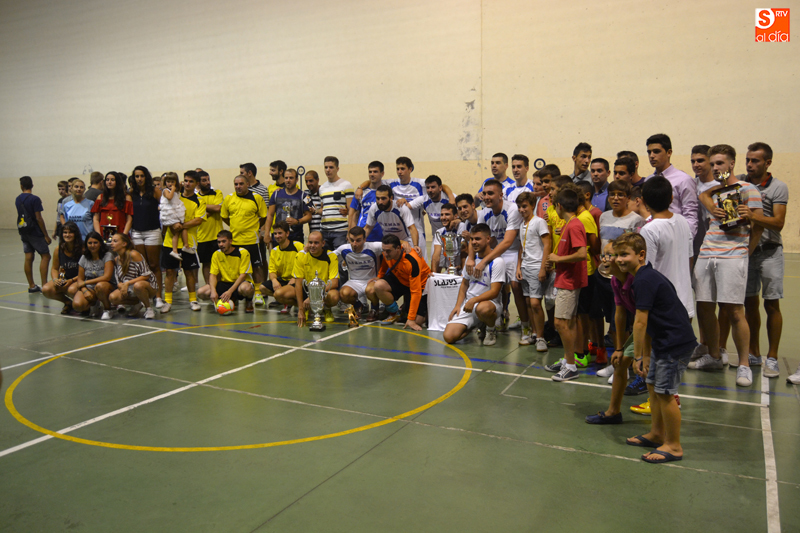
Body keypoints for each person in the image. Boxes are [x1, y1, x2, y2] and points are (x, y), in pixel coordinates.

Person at [614, 232, 696, 464]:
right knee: (652, 384)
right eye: (617, 255)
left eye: (624, 254)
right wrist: (648, 355)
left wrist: (638, 356)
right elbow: (650, 322)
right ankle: (657, 433)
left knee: (665, 393)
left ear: (641, 255)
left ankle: (674, 446)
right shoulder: (642, 277)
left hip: (674, 343)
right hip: (662, 341)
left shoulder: (644, 280)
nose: (619, 260)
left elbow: (640, 322)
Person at [690, 144, 763, 387]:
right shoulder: (713, 192)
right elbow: (703, 196)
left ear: (732, 164)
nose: (715, 167)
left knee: (734, 311)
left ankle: (743, 364)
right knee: (704, 306)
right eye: (712, 164)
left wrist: (745, 252)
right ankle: (713, 355)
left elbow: (758, 226)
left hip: (733, 255)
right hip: (707, 253)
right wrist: (710, 203)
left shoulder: (748, 189)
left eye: (719, 163)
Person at [741, 142, 787, 379]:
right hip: (746, 252)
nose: (749, 164)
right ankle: (753, 353)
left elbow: (778, 222)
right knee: (749, 304)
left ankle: (772, 357)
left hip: (770, 252)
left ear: (767, 163)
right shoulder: (740, 182)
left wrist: (753, 216)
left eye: (755, 161)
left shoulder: (778, 187)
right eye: (748, 160)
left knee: (771, 304)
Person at [466, 179, 526, 335]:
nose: (486, 197)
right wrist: (471, 258)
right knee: (490, 284)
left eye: (490, 193)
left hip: (513, 251)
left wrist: (484, 261)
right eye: (485, 193)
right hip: (494, 251)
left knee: (515, 285)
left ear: (501, 195)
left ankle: (525, 325)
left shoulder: (512, 209)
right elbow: (475, 236)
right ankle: (495, 317)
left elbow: (507, 242)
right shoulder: (484, 212)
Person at [543, 188, 588, 382]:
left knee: (560, 323)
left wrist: (558, 259)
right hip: (565, 278)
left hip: (569, 282)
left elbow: (581, 253)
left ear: (559, 206)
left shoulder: (574, 225)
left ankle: (571, 366)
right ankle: (567, 360)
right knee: (568, 322)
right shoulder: (569, 225)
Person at [443, 224, 505, 346]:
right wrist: (458, 306)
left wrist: (474, 300)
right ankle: (477, 324)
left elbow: (495, 292)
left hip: (489, 304)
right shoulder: (470, 260)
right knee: (448, 337)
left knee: (483, 309)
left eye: (478, 239)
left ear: (488, 239)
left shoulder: (497, 262)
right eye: (472, 239)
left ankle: (490, 330)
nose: (474, 242)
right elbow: (464, 284)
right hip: (469, 305)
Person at [161, 171, 207, 314]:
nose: (187, 183)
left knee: (189, 272)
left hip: (189, 243)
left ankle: (193, 300)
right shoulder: (174, 195)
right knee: (170, 272)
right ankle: (168, 301)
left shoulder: (199, 200)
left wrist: (181, 225)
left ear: (196, 184)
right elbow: (165, 211)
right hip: (170, 241)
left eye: (191, 181)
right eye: (186, 180)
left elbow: (198, 220)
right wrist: (171, 224)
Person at [221, 174, 267, 309]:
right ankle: (237, 294)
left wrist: (254, 228)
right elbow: (224, 217)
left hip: (251, 240)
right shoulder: (229, 198)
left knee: (257, 267)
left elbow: (263, 216)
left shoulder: (256, 198)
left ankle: (258, 293)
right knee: (238, 270)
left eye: (241, 184)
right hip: (235, 241)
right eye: (236, 184)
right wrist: (236, 227)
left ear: (247, 184)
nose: (238, 186)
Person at [367, 235, 429, 330]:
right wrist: (379, 276)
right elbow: (385, 263)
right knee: (378, 285)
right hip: (401, 278)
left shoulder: (412, 261)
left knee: (417, 320)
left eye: (388, 251)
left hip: (419, 284)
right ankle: (395, 313)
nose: (385, 254)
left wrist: (411, 319)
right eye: (384, 250)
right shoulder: (387, 252)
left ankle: (427, 312)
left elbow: (416, 292)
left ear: (398, 249)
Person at [277, 231, 339, 325]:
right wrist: (300, 309)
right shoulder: (301, 256)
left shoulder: (331, 256)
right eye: (310, 242)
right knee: (279, 294)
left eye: (316, 243)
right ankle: (306, 308)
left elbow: (334, 283)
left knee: (334, 296)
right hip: (306, 290)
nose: (312, 245)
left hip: (322, 291)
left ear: (323, 243)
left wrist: (313, 296)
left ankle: (325, 308)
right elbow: (298, 283)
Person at [515, 192, 551, 351]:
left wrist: (543, 268)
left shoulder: (539, 222)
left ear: (532, 205)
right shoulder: (522, 224)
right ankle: (534, 334)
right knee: (529, 302)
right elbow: (521, 247)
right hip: (525, 267)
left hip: (537, 267)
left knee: (536, 303)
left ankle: (541, 338)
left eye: (524, 206)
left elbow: (547, 244)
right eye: (519, 207)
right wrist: (518, 266)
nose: (521, 210)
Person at [645, 133, 698, 237]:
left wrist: (687, 240)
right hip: (653, 234)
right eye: (649, 152)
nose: (651, 156)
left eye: (656, 151)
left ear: (669, 152)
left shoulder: (683, 179)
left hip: (676, 235)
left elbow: (690, 215)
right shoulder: (648, 180)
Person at [129, 166, 164, 308]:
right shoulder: (131, 193)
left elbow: (165, 207)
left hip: (152, 231)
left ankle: (158, 296)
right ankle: (145, 297)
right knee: (142, 267)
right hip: (136, 232)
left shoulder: (155, 191)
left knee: (154, 265)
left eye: (142, 176)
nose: (139, 179)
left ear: (146, 177)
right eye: (137, 176)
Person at [334, 226, 384, 320]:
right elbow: (329, 256)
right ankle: (359, 306)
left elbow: (391, 244)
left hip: (371, 280)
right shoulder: (344, 249)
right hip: (354, 281)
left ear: (364, 239)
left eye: (358, 240)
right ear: (348, 239)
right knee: (343, 294)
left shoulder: (373, 247)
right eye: (352, 240)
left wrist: (404, 243)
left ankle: (374, 309)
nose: (354, 244)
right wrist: (306, 251)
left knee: (371, 290)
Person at [197, 230, 256, 310]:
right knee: (201, 292)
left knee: (246, 288)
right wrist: (213, 291)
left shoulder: (243, 253)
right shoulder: (216, 254)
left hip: (240, 283)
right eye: (219, 242)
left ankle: (248, 301)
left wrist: (230, 291)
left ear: (230, 241)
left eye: (224, 241)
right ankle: (228, 299)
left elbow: (243, 276)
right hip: (225, 283)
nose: (221, 244)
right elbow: (213, 275)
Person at [106, 233, 157, 319]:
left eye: (115, 241)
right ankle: (138, 303)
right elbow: (118, 278)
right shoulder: (116, 259)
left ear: (124, 244)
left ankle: (148, 308)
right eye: (111, 241)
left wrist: (128, 283)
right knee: (113, 298)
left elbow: (146, 275)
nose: (111, 243)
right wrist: (120, 285)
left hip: (147, 285)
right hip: (129, 287)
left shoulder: (134, 255)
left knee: (138, 286)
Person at [15, 176, 52, 292]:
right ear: (32, 185)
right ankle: (45, 285)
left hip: (23, 230)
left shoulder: (18, 199)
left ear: (21, 186)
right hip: (35, 231)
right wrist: (45, 235)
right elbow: (38, 218)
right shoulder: (35, 199)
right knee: (46, 256)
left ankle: (31, 285)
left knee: (28, 256)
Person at [260, 221, 304, 311]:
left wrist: (295, 278)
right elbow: (272, 271)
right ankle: (286, 301)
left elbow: (306, 265)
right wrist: (274, 281)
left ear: (287, 233)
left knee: (278, 294)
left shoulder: (298, 246)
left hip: (297, 280)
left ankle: (302, 306)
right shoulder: (274, 251)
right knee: (262, 288)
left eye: (280, 233)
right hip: (283, 280)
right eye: (275, 233)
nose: (277, 236)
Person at [70, 231, 115, 318]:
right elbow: (80, 279)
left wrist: (85, 283)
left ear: (100, 243)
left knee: (100, 286)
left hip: (107, 286)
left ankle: (108, 309)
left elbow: (107, 277)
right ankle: (94, 304)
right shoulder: (84, 257)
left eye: (95, 243)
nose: (92, 245)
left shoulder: (107, 255)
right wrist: (85, 291)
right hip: (90, 287)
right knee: (77, 305)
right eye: (90, 243)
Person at [42, 222, 83, 314]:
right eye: (65, 232)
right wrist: (55, 279)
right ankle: (68, 303)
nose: (67, 235)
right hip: (65, 278)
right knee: (46, 289)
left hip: (79, 279)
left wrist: (71, 281)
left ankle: (86, 304)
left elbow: (86, 271)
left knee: (72, 290)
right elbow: (54, 268)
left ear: (75, 234)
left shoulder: (82, 249)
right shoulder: (59, 249)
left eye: (70, 232)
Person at [408, 175, 452, 257]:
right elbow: (407, 206)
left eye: (433, 187)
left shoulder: (450, 199)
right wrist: (402, 201)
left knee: (451, 263)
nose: (430, 190)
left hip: (451, 237)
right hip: (436, 237)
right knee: (434, 261)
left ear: (440, 188)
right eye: (428, 188)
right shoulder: (424, 199)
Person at [265, 168, 312, 244]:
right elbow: (270, 215)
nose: (288, 180)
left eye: (291, 178)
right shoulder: (276, 194)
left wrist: (297, 221)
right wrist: (266, 233)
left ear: (297, 179)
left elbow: (309, 216)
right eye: (286, 178)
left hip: (296, 236)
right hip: (278, 237)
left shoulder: (304, 196)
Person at [319, 156, 354, 252]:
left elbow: (352, 210)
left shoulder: (346, 185)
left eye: (331, 167)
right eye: (326, 167)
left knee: (340, 257)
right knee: (326, 258)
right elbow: (323, 208)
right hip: (324, 230)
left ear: (337, 169)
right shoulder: (322, 188)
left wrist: (350, 231)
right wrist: (316, 211)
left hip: (340, 231)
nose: (328, 170)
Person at [196, 170, 224, 286]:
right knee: (206, 264)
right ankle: (209, 286)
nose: (208, 182)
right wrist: (209, 209)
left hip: (217, 236)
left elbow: (218, 208)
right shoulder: (195, 197)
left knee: (220, 263)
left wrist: (201, 206)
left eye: (208, 179)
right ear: (198, 183)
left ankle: (220, 286)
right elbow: (196, 215)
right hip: (202, 236)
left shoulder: (217, 193)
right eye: (204, 180)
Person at [349, 161, 385, 242]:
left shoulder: (387, 192)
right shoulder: (361, 192)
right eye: (370, 172)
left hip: (382, 235)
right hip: (363, 235)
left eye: (375, 172)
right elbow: (353, 213)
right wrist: (350, 232)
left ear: (382, 174)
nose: (372, 174)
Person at [159, 173, 192, 260]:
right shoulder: (166, 190)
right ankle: (175, 250)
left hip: (175, 212)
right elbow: (169, 197)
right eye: (168, 181)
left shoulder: (176, 190)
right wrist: (173, 189)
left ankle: (185, 246)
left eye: (172, 182)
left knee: (182, 228)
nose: (170, 184)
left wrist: (179, 185)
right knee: (177, 230)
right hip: (169, 214)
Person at [91, 171, 133, 238]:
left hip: (121, 234)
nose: (109, 182)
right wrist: (99, 235)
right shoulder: (100, 197)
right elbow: (96, 218)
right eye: (107, 180)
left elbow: (129, 220)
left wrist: (123, 236)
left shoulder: (126, 198)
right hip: (103, 235)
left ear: (118, 182)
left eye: (112, 180)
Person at [690, 145, 715, 259]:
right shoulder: (690, 184)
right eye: (693, 161)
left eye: (700, 161)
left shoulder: (720, 185)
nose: (696, 165)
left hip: (715, 245)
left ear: (711, 161)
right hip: (696, 246)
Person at [430, 204, 461, 274]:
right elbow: (436, 255)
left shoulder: (461, 227)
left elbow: (465, 250)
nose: (443, 217)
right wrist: (434, 274)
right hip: (450, 271)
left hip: (463, 270)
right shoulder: (439, 232)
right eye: (442, 215)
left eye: (447, 214)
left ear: (455, 216)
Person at [304, 170, 323, 234]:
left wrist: (315, 210)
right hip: (313, 233)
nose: (308, 184)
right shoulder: (306, 195)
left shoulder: (324, 192)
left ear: (317, 180)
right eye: (306, 181)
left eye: (311, 181)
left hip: (326, 232)